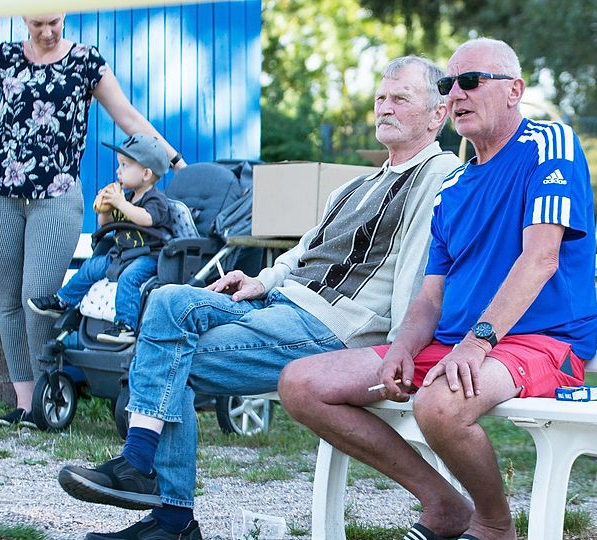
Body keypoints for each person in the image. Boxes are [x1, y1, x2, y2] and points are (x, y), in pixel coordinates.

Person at [55, 55, 459, 540]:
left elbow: (420, 268)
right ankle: (144, 474)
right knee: (166, 300)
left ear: (437, 114)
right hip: (282, 305)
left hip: (333, 328)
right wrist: (262, 281)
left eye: (400, 98)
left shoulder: (438, 174)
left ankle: (167, 512)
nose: (384, 107)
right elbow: (305, 248)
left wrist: (398, 350)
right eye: (380, 97)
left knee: (169, 360)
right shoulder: (358, 183)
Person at [278, 38, 597, 540]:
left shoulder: (548, 144)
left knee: (439, 405)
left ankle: (494, 526)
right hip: (458, 345)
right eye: (449, 85)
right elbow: (431, 296)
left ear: (514, 90)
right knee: (302, 384)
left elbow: (541, 258)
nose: (456, 94)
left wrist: (477, 343)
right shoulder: (452, 187)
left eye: (471, 81)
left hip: (542, 340)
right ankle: (443, 504)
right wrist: (402, 348)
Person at [0, 13, 187, 427]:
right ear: (24, 18)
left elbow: (129, 118)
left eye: (54, 22)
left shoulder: (86, 62)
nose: (46, 31)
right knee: (9, 300)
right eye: (37, 23)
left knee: (38, 296)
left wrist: (175, 160)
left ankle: (48, 397)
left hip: (57, 194)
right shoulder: (4, 56)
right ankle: (27, 405)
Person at [27, 133, 173, 345]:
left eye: (125, 165)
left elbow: (147, 219)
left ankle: (125, 326)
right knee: (90, 267)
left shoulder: (156, 199)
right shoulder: (127, 198)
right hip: (122, 255)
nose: (118, 171)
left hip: (148, 257)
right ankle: (63, 301)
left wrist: (121, 204)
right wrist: (105, 208)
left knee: (129, 278)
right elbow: (106, 222)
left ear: (146, 173)